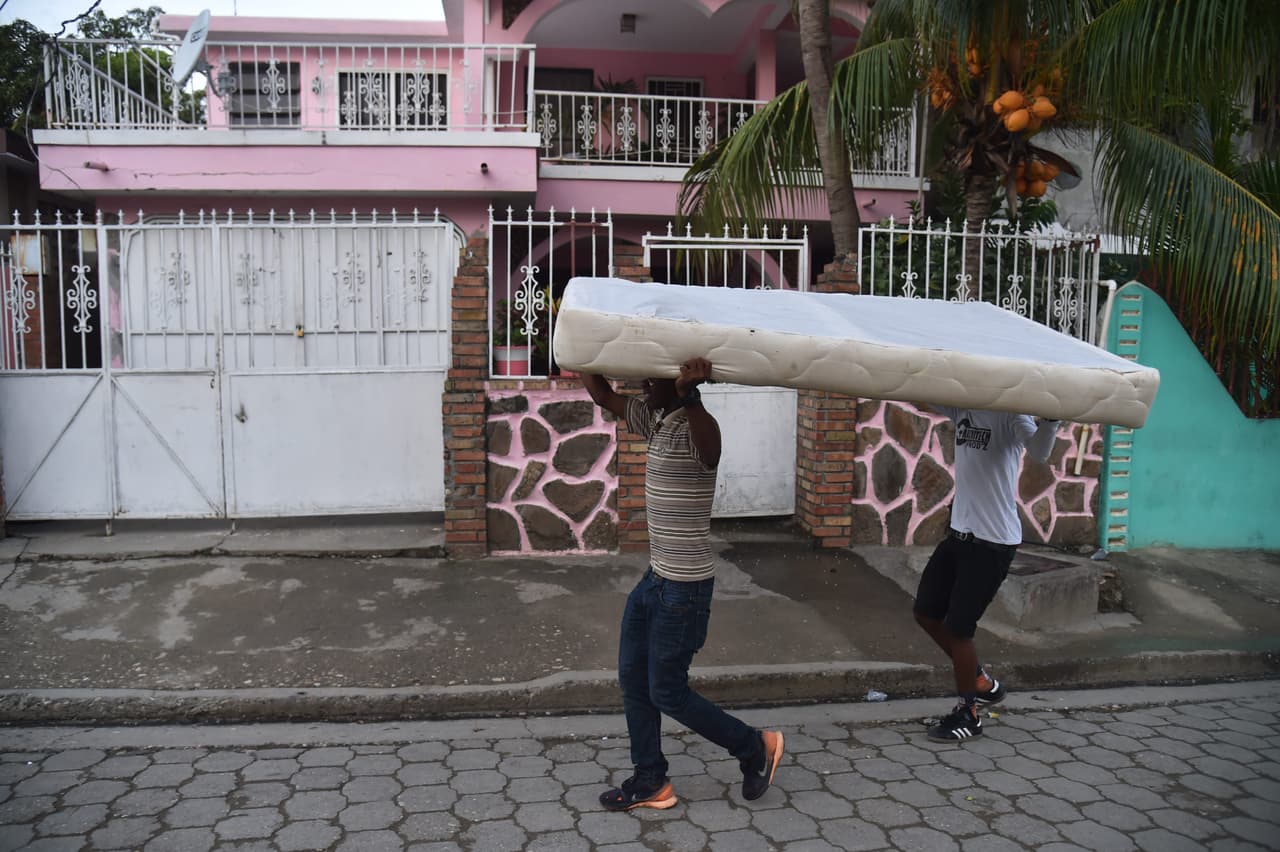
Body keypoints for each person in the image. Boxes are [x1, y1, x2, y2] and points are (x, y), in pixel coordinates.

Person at [582, 357, 784, 811]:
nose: (643, 384)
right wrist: (575, 342)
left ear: (676, 384)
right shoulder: (653, 419)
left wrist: (690, 392)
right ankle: (651, 780)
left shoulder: (697, 424)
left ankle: (755, 747)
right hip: (655, 581)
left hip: (684, 589)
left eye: (652, 378)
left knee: (667, 691)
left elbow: (711, 452)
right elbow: (600, 393)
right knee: (634, 680)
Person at [913, 406, 1060, 742]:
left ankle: (969, 713)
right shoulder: (963, 406)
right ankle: (979, 680)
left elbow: (1039, 452)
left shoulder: (1011, 416)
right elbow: (923, 397)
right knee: (925, 612)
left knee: (959, 629)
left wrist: (1051, 419)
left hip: (992, 544)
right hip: (959, 534)